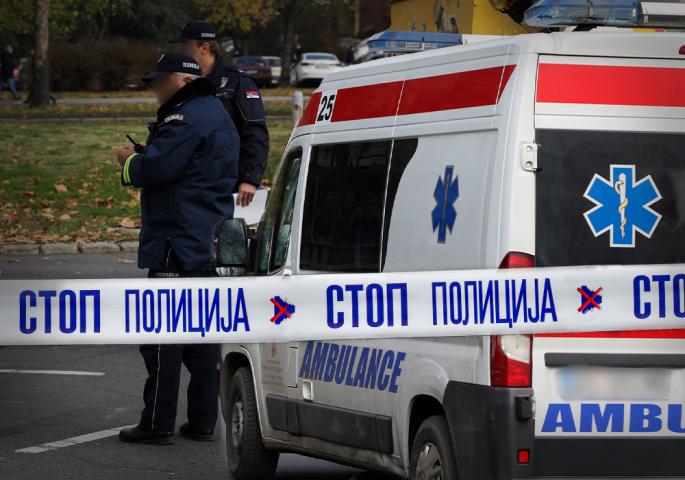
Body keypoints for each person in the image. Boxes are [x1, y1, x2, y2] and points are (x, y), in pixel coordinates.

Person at [115, 52, 240, 444]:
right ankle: (203, 420)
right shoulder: (216, 112)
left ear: (183, 80)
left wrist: (130, 162)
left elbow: (159, 169)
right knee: (201, 337)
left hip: (177, 240)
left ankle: (156, 423)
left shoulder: (183, 118)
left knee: (162, 338)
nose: (155, 87)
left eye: (160, 80)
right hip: (208, 239)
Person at [170, 21, 268, 208]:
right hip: (192, 182)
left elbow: (255, 132)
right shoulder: (186, 82)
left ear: (204, 48)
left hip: (227, 182)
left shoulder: (238, 81)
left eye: (186, 47)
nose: (182, 52)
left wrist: (249, 178)